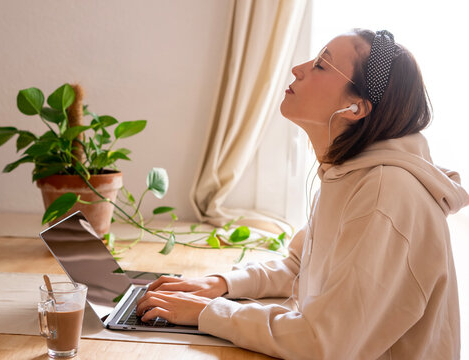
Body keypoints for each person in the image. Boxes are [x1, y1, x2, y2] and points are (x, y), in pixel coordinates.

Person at [136, 29, 469, 359]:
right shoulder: (351, 172)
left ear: (355, 108)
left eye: (321, 65)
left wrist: (209, 313)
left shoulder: (386, 194)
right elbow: (300, 266)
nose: (299, 68)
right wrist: (222, 284)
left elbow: (324, 342)